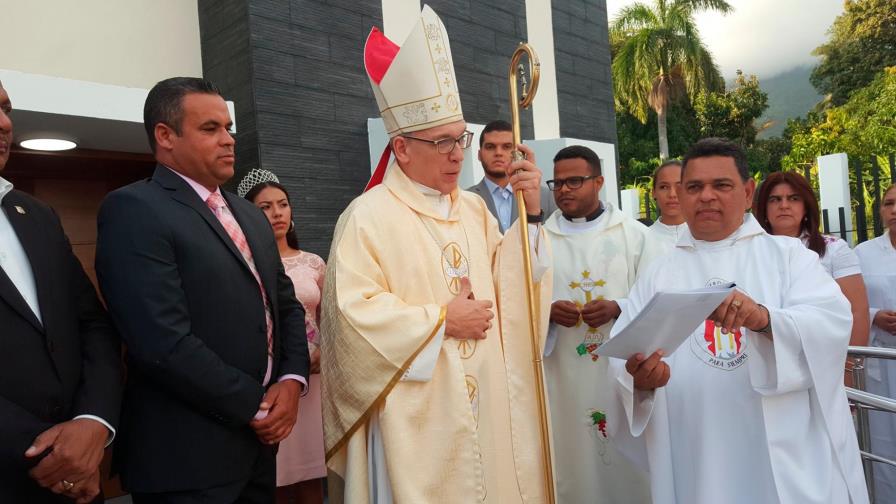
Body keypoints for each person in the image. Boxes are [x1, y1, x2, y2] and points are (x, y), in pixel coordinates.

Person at [321, 7, 553, 503]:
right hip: (415, 417)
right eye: (443, 142)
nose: (457, 155)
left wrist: (530, 217)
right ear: (401, 149)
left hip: (485, 405)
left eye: (460, 139)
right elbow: (350, 320)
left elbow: (513, 290)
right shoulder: (366, 217)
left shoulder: (473, 209)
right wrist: (440, 321)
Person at [607, 138, 868, 504]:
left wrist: (763, 319)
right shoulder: (658, 273)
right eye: (695, 187)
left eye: (722, 185)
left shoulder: (788, 256)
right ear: (681, 196)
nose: (707, 196)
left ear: (747, 193)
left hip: (781, 451)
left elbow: (832, 322)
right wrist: (640, 381)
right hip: (693, 451)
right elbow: (623, 353)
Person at [95, 77, 310, 503]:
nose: (228, 140)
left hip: (258, 451)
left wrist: (291, 378)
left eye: (228, 128)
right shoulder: (135, 209)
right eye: (210, 129)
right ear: (165, 136)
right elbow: (160, 340)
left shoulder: (249, 216)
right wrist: (255, 404)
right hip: (188, 458)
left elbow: (285, 306)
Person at [0, 80, 122, 503]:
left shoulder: (35, 215)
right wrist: (52, 452)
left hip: (78, 481)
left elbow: (93, 325)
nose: (3, 124)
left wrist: (92, 421)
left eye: (6, 110)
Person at [542, 145, 655, 503]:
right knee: (570, 460)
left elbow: (656, 298)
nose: (564, 190)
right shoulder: (537, 240)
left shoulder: (634, 236)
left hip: (618, 373)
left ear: (600, 181)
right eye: (557, 183)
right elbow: (515, 301)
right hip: (560, 374)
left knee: (622, 468)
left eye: (575, 181)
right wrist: (545, 313)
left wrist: (619, 307)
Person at [241, 169, 326, 504]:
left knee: (312, 477)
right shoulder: (244, 263)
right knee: (275, 477)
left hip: (315, 377)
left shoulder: (314, 263)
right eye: (265, 207)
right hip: (271, 381)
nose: (277, 213)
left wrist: (323, 354)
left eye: (282, 204)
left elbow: (330, 319)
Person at [754, 171, 870, 378]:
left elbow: (858, 312)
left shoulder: (835, 249)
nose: (784, 205)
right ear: (764, 209)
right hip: (764, 359)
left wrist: (849, 367)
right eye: (775, 199)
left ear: (806, 207)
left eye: (793, 198)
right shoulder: (750, 252)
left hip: (826, 360)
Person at [855, 183, 896, 502]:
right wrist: (873, 316)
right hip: (880, 357)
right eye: (888, 203)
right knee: (882, 441)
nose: (893, 209)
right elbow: (848, 303)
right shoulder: (863, 254)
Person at [466, 120, 556, 233]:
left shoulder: (546, 196)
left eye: (507, 147)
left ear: (520, 153)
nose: (498, 152)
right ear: (479, 155)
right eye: (490, 147)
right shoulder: (466, 199)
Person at [648, 159, 688, 251]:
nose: (672, 194)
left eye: (679, 186)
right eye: (664, 187)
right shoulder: (642, 239)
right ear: (653, 192)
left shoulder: (707, 237)